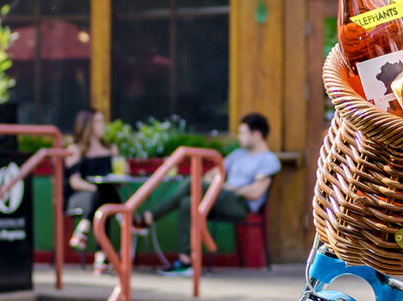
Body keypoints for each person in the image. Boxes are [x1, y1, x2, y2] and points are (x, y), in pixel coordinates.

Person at [155, 112, 280, 276]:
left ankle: (151, 216)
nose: (239, 137)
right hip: (220, 198)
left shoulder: (268, 159)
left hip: (240, 204)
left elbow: (256, 193)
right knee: (189, 203)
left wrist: (228, 188)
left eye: (243, 132)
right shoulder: (237, 155)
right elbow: (210, 175)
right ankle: (186, 262)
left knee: (193, 183)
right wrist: (218, 185)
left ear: (256, 134)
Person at [65, 108, 124, 274]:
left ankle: (83, 229)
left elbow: (117, 180)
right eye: (98, 121)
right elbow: (75, 182)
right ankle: (101, 258)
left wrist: (122, 170)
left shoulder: (111, 149)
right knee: (101, 196)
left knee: (104, 199)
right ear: (87, 125)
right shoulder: (75, 149)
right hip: (81, 197)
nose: (103, 125)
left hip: (106, 196)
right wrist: (95, 187)